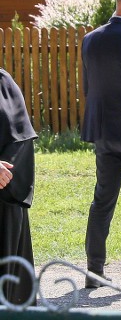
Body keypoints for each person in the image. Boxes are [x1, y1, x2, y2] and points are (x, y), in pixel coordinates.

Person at [82, 0, 121, 289]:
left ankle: (94, 270)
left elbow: (89, 85)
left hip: (103, 131)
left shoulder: (90, 38)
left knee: (102, 201)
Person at [0, 70, 37, 305]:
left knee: (10, 290)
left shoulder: (3, 82)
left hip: (3, 198)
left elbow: (19, 134)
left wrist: (4, 174)